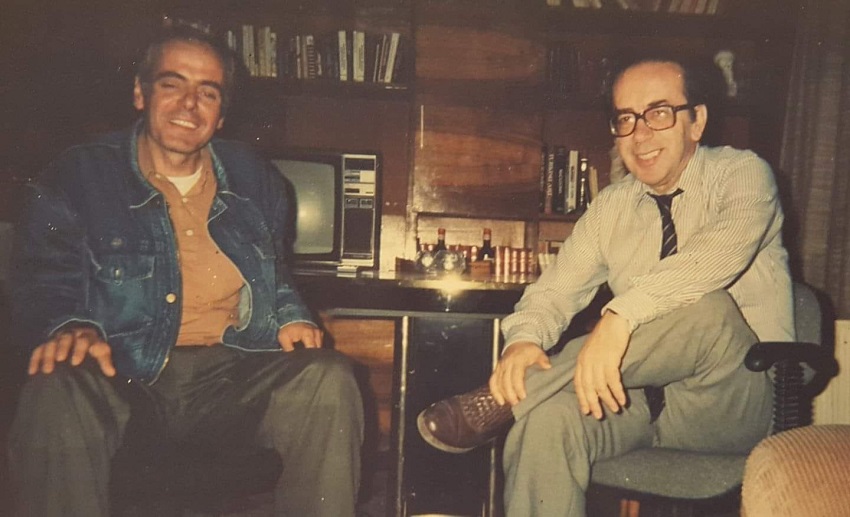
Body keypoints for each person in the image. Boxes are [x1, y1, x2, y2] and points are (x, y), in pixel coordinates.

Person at [7, 25, 363, 517]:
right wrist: (69, 324)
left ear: (222, 114)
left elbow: (274, 271)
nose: (189, 105)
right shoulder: (78, 174)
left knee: (329, 378)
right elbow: (43, 275)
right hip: (122, 373)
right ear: (140, 93)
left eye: (208, 92)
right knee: (53, 390)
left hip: (231, 374)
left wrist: (290, 314)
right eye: (172, 84)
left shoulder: (256, 177)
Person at [418, 55, 793, 515]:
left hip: (728, 402)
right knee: (545, 422)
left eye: (659, 113)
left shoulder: (744, 174)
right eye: (625, 119)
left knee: (708, 309)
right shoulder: (612, 206)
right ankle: (524, 398)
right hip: (631, 403)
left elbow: (715, 256)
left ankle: (503, 400)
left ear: (696, 121)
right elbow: (554, 291)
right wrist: (523, 341)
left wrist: (619, 316)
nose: (640, 134)